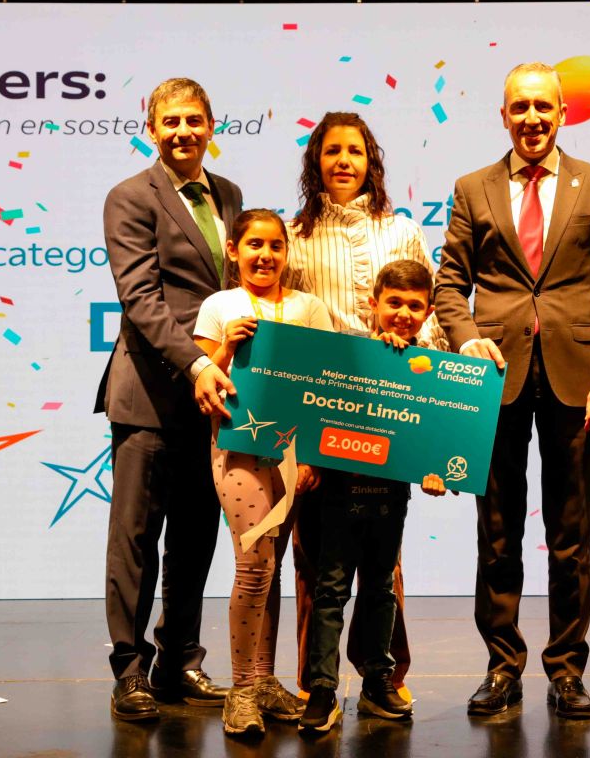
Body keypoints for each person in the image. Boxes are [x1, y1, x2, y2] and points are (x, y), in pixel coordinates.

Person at [434, 62, 590, 720]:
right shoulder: (473, 188)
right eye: (519, 107)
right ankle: (502, 666)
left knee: (570, 536)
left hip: (578, 380)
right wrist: (466, 339)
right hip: (494, 380)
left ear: (562, 113)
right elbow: (448, 284)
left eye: (542, 106)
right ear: (504, 115)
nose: (532, 118)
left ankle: (567, 670)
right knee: (497, 534)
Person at [286, 111, 446, 697]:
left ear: (370, 161)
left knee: (384, 560)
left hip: (388, 412)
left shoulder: (401, 232)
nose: (344, 161)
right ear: (316, 161)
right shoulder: (296, 235)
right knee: (317, 559)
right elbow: (287, 320)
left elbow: (428, 324)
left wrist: (429, 394)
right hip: (322, 411)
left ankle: (384, 675)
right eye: (332, 151)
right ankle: (315, 683)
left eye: (354, 151)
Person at [97, 77, 241, 722]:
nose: (183, 131)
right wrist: (198, 362)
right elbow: (141, 300)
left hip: (213, 400)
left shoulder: (229, 195)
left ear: (212, 126)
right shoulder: (130, 197)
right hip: (151, 395)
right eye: (171, 121)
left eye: (194, 120)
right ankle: (130, 671)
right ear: (152, 129)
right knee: (135, 539)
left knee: (195, 538)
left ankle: (179, 660)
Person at [193, 208, 332, 735]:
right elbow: (202, 387)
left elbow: (325, 386)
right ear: (234, 250)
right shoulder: (218, 306)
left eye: (275, 245)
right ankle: (242, 691)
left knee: (271, 569)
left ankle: (264, 680)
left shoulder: (309, 307)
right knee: (253, 567)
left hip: (293, 457)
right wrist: (227, 346)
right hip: (238, 451)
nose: (265, 255)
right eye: (254, 244)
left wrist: (313, 455)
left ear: (287, 252)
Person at [298, 260, 448, 734]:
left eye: (415, 306)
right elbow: (317, 404)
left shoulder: (430, 369)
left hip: (390, 498)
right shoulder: (351, 352)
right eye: (394, 303)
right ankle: (322, 689)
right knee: (330, 591)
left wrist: (437, 473)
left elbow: (436, 433)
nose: (403, 313)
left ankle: (377, 681)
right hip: (338, 495)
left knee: (381, 590)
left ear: (428, 313)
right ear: (373, 303)